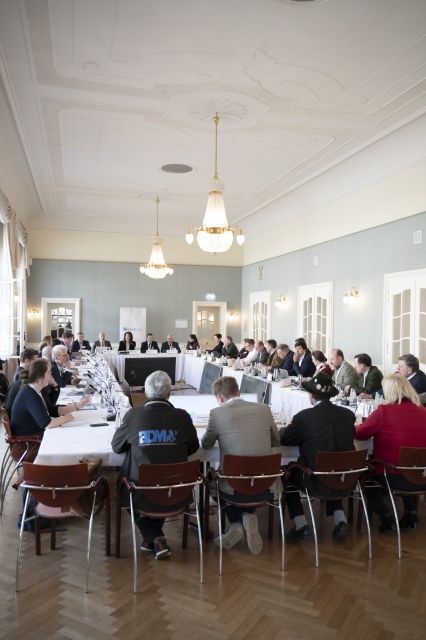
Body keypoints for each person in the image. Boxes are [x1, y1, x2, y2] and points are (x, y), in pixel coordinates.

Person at [111, 371, 199, 560]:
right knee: (161, 487)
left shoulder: (134, 415)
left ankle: (154, 537)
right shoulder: (182, 417)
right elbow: (193, 448)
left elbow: (117, 447)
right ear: (169, 393)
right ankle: (155, 537)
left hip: (141, 491)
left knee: (126, 483)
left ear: (146, 392)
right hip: (177, 491)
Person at [202, 376, 280, 555]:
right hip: (265, 484)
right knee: (244, 483)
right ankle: (245, 518)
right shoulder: (264, 409)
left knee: (212, 483)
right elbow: (276, 441)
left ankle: (239, 520)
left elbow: (206, 445)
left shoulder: (217, 413)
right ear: (238, 391)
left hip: (234, 485)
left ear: (219, 397)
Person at [280, 372, 355, 539]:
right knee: (333, 468)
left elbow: (285, 439)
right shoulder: (348, 415)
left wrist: (288, 426)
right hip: (346, 479)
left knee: (287, 474)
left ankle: (300, 523)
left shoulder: (304, 417)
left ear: (311, 395)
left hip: (315, 480)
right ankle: (340, 519)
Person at [356, 374, 426, 531]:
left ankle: (385, 515)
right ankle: (411, 512)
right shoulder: (423, 410)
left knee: (365, 476)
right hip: (422, 475)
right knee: (409, 465)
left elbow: (360, 434)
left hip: (393, 475)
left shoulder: (384, 411)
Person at [10, 359, 73, 437]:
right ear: (39, 378)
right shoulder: (30, 394)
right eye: (49, 373)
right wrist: (66, 418)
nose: (51, 375)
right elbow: (47, 424)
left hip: (35, 430)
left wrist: (75, 407)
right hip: (28, 437)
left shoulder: (37, 389)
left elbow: (51, 410)